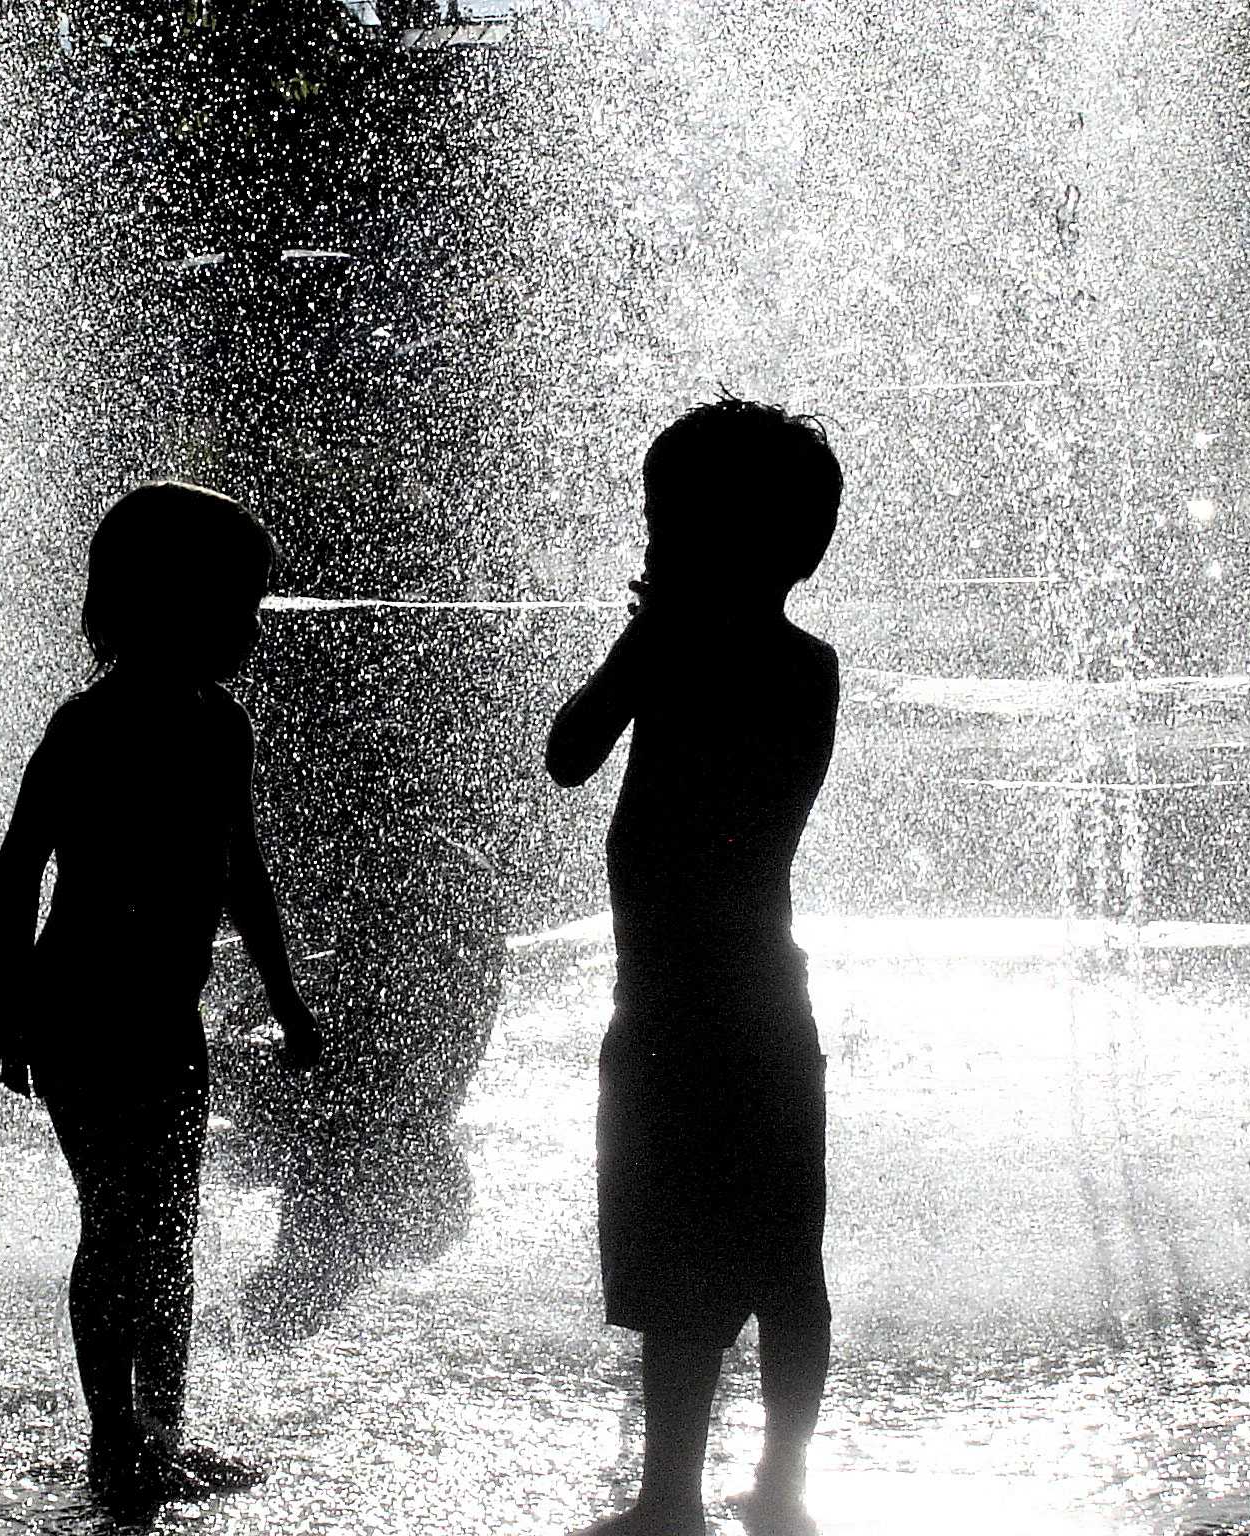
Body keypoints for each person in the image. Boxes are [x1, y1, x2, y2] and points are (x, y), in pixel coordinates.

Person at [0, 481, 325, 1518]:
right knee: (118, 1223)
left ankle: (164, 1432)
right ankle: (109, 1444)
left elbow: (243, 873)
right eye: (242, 605)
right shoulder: (88, 726)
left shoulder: (221, 728)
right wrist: (11, 1010)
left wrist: (286, 997)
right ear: (165, 603)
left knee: (170, 1227)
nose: (255, 627)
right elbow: (18, 865)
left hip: (167, 1018)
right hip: (82, 1013)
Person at [546, 397, 843, 1536]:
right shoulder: (804, 666)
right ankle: (777, 1487)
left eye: (665, 522)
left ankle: (668, 1495)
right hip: (764, 1006)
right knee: (781, 1257)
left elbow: (568, 757)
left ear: (726, 539)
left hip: (678, 1010)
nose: (650, 542)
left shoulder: (682, 658)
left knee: (678, 1262)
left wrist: (638, 649)